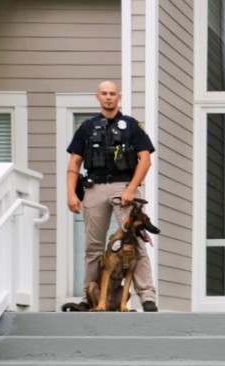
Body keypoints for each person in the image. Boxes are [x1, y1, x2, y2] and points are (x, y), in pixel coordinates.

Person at [64, 81, 157, 312]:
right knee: (93, 247)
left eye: (112, 94)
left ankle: (147, 297)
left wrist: (131, 189)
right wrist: (70, 195)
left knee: (136, 243)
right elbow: (74, 164)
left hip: (124, 186)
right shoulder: (86, 127)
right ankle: (91, 297)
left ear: (119, 97)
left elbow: (145, 160)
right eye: (104, 94)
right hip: (94, 188)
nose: (108, 97)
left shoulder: (132, 126)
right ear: (97, 97)